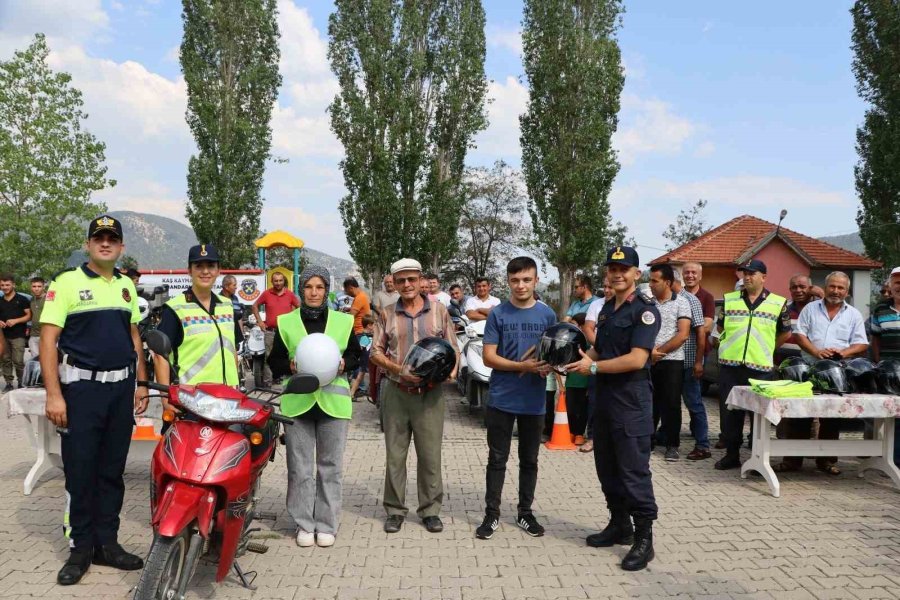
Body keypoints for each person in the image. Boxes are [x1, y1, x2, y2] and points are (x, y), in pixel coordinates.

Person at [39, 214, 148, 585]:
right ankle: (80, 549)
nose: (105, 244)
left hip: (120, 391)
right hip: (82, 391)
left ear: (120, 247)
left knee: (112, 471)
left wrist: (142, 384)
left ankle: (108, 543)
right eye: (98, 238)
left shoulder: (125, 287)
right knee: (81, 470)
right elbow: (48, 340)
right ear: (88, 245)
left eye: (112, 239)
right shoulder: (66, 283)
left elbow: (134, 336)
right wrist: (54, 394)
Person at [565, 246, 660, 571]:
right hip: (604, 402)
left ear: (637, 273)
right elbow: (598, 349)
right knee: (607, 468)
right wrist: (577, 360)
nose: (617, 274)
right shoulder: (605, 309)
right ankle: (620, 524)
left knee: (633, 471)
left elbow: (637, 358)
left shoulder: (645, 311)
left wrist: (592, 369)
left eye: (624, 269)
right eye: (612, 269)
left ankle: (644, 539)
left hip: (631, 403)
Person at [268, 265, 361, 548]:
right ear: (302, 289)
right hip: (298, 404)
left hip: (334, 404)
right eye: (309, 287)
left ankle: (327, 524)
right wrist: (290, 365)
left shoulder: (343, 322)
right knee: (300, 467)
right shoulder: (286, 322)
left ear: (326, 290)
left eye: (319, 287)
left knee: (330, 467)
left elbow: (357, 355)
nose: (314, 292)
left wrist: (346, 363)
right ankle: (304, 523)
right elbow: (275, 362)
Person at [370, 258, 459, 534]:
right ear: (394, 283)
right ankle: (395, 510)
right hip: (397, 392)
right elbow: (375, 352)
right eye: (401, 280)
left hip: (430, 396)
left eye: (412, 279)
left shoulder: (439, 311)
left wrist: (451, 373)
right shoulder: (386, 313)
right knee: (395, 456)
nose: (407, 285)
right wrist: (400, 370)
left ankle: (430, 510)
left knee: (430, 455)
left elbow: (453, 349)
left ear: (421, 280)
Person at [476, 256, 556, 540]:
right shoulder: (498, 314)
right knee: (497, 459)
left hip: (534, 401)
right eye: (514, 280)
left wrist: (549, 365)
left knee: (529, 460)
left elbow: (553, 355)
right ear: (508, 282)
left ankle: (525, 513)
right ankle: (491, 514)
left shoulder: (547, 316)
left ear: (535, 281)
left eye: (526, 280)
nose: (520, 285)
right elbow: (489, 357)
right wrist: (522, 366)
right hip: (501, 398)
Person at [774, 271, 868, 475]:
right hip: (807, 370)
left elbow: (861, 343)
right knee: (800, 416)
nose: (836, 291)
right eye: (832, 286)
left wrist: (843, 352)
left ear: (847, 291)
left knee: (832, 417)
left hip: (837, 372)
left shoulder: (853, 314)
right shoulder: (810, 309)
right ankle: (792, 461)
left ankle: (826, 461)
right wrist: (816, 351)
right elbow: (799, 335)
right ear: (825, 288)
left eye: (840, 287)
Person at [714, 259, 791, 471]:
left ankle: (758, 459)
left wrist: (767, 348)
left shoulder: (778, 302)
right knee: (730, 413)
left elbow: (785, 332)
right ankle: (732, 455)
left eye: (752, 273)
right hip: (730, 366)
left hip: (760, 367)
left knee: (758, 416)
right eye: (744, 273)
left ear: (763, 277)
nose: (747, 277)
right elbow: (720, 328)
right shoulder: (729, 300)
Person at [154, 244, 244, 401]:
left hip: (227, 399)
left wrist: (235, 389)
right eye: (199, 266)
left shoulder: (227, 306)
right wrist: (165, 399)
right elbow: (160, 356)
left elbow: (233, 351)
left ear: (218, 270)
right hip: (190, 399)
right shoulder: (175, 308)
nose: (205, 271)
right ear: (189, 271)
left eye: (211, 266)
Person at [647, 265, 691, 462]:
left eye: (655, 281)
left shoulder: (682, 303)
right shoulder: (647, 304)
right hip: (648, 360)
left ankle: (672, 445)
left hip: (672, 361)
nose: (651, 284)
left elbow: (682, 335)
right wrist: (649, 353)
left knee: (671, 404)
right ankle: (647, 441)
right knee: (649, 403)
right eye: (650, 280)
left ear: (667, 282)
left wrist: (659, 353)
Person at [672, 271, 710, 459]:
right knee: (671, 404)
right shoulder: (668, 300)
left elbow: (701, 333)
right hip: (672, 363)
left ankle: (703, 444)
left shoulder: (690, 300)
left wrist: (698, 361)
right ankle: (669, 438)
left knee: (694, 404)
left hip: (688, 362)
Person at [680, 263, 716, 450]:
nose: (690, 275)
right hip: (676, 356)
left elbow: (707, 326)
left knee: (693, 399)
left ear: (700, 276)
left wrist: (688, 327)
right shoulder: (677, 296)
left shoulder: (706, 297)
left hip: (696, 354)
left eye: (694, 272)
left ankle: (702, 441)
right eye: (687, 272)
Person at [252, 272, 300, 386]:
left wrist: (295, 323)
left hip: (286, 333)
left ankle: (289, 381)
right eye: (276, 281)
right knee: (269, 358)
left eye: (280, 280)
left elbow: (300, 309)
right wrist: (260, 322)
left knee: (289, 356)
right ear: (272, 282)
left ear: (284, 281)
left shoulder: (290, 294)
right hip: (270, 332)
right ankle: (268, 383)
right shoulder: (267, 294)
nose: (278, 283)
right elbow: (254, 306)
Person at [0, 274, 31, 390]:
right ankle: (8, 383)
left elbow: (29, 316)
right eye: (2, 285)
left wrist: (16, 321)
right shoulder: (0, 300)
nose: (5, 287)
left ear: (13, 284)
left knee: (18, 361)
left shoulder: (21, 299)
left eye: (7, 285)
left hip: (18, 335)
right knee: (5, 360)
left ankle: (21, 382)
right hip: (3, 336)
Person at [566, 313, 593, 446]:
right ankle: (570, 432)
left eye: (574, 324)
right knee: (570, 408)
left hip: (585, 382)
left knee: (582, 410)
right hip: (571, 381)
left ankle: (579, 434)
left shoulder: (588, 342)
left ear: (582, 326)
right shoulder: (570, 340)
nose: (572, 326)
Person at [350, 314, 375, 399]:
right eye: (374, 325)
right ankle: (351, 394)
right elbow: (359, 349)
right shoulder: (364, 336)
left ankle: (352, 393)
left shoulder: (370, 335)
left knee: (360, 377)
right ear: (369, 326)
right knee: (359, 377)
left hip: (368, 360)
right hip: (365, 361)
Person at [28, 277, 47, 359]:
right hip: (34, 335)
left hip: (46, 334)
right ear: (31, 287)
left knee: (47, 359)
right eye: (34, 286)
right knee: (35, 360)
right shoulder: (32, 299)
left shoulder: (49, 299)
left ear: (44, 287)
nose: (36, 289)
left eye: (39, 286)